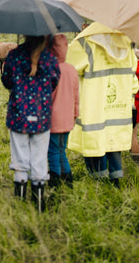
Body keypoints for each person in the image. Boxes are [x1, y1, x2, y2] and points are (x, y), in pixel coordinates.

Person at [67, 22, 138, 187]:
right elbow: (132, 72)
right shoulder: (125, 42)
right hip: (119, 107)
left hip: (94, 107)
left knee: (94, 142)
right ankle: (116, 178)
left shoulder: (85, 43)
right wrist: (131, 96)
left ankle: (99, 182)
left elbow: (67, 63)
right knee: (114, 144)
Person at [2, 35, 60, 212]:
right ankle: (39, 205)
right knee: (39, 159)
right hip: (41, 116)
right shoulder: (50, 59)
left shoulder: (14, 55)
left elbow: (6, 81)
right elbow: (54, 82)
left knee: (20, 159)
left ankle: (20, 206)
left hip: (18, 115)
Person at [48, 33, 79, 188]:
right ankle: (68, 181)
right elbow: (76, 96)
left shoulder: (49, 69)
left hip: (53, 119)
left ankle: (55, 182)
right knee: (61, 150)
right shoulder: (71, 70)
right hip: (68, 119)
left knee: (53, 151)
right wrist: (75, 114)